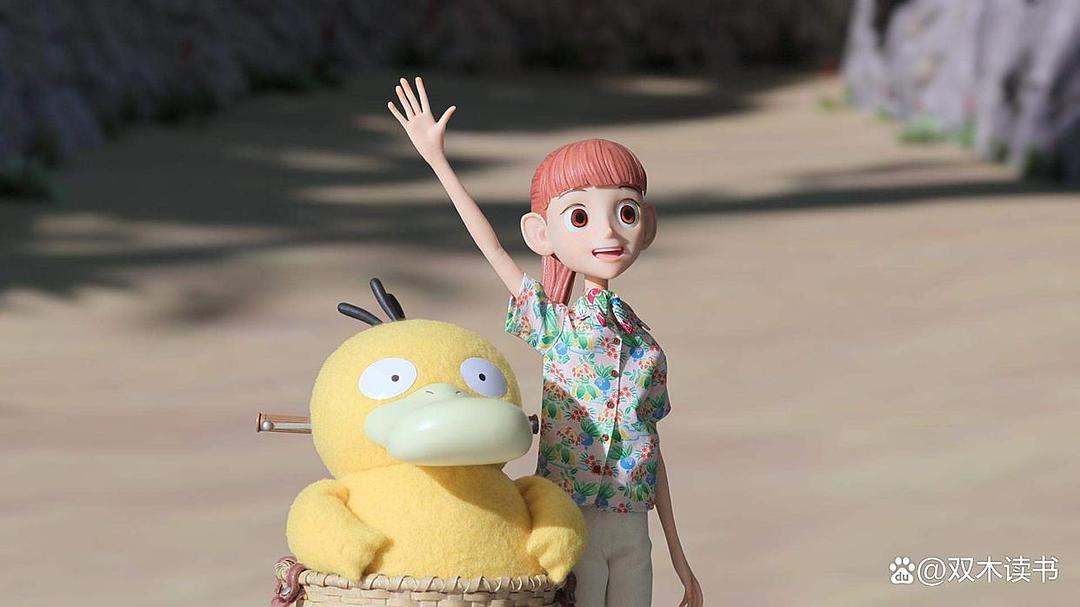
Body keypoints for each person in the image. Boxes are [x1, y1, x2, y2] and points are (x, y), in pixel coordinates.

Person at [388, 76, 703, 607]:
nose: (608, 233)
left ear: (646, 226)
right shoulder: (557, 327)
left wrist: (680, 558)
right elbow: (492, 249)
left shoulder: (645, 348)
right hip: (569, 520)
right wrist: (438, 161)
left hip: (634, 526)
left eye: (625, 212)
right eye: (580, 216)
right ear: (541, 233)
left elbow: (652, 448)